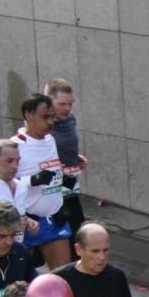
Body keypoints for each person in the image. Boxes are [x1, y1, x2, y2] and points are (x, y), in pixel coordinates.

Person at [12, 92, 72, 270]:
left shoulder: (50, 140)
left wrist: (64, 179)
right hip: (27, 222)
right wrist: (32, 180)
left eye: (52, 117)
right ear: (29, 116)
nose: (50, 122)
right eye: (45, 117)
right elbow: (3, 182)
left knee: (63, 279)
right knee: (18, 283)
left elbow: (52, 170)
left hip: (54, 218)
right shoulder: (15, 145)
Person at [45, 78, 89, 236]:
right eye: (62, 104)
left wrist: (75, 158)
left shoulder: (70, 120)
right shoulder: (42, 128)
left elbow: (65, 145)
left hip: (70, 187)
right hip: (50, 191)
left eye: (70, 104)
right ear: (49, 103)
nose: (67, 108)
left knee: (79, 235)